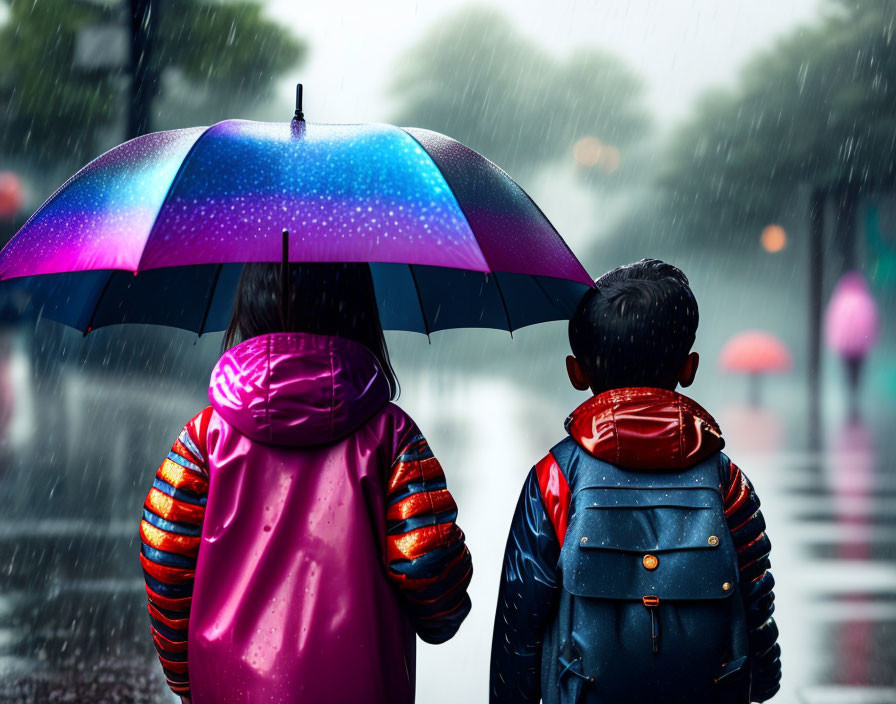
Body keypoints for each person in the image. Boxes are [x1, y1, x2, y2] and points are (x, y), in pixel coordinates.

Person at [139, 262, 472, 704]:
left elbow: (165, 564)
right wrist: (441, 611)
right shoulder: (394, 440)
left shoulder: (202, 441)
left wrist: (187, 679)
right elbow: (433, 579)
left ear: (250, 307)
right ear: (359, 310)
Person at [489, 259, 780, 704]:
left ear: (576, 372)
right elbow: (756, 595)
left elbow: (520, 615)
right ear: (689, 367)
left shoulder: (554, 479)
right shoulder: (727, 481)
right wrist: (762, 681)